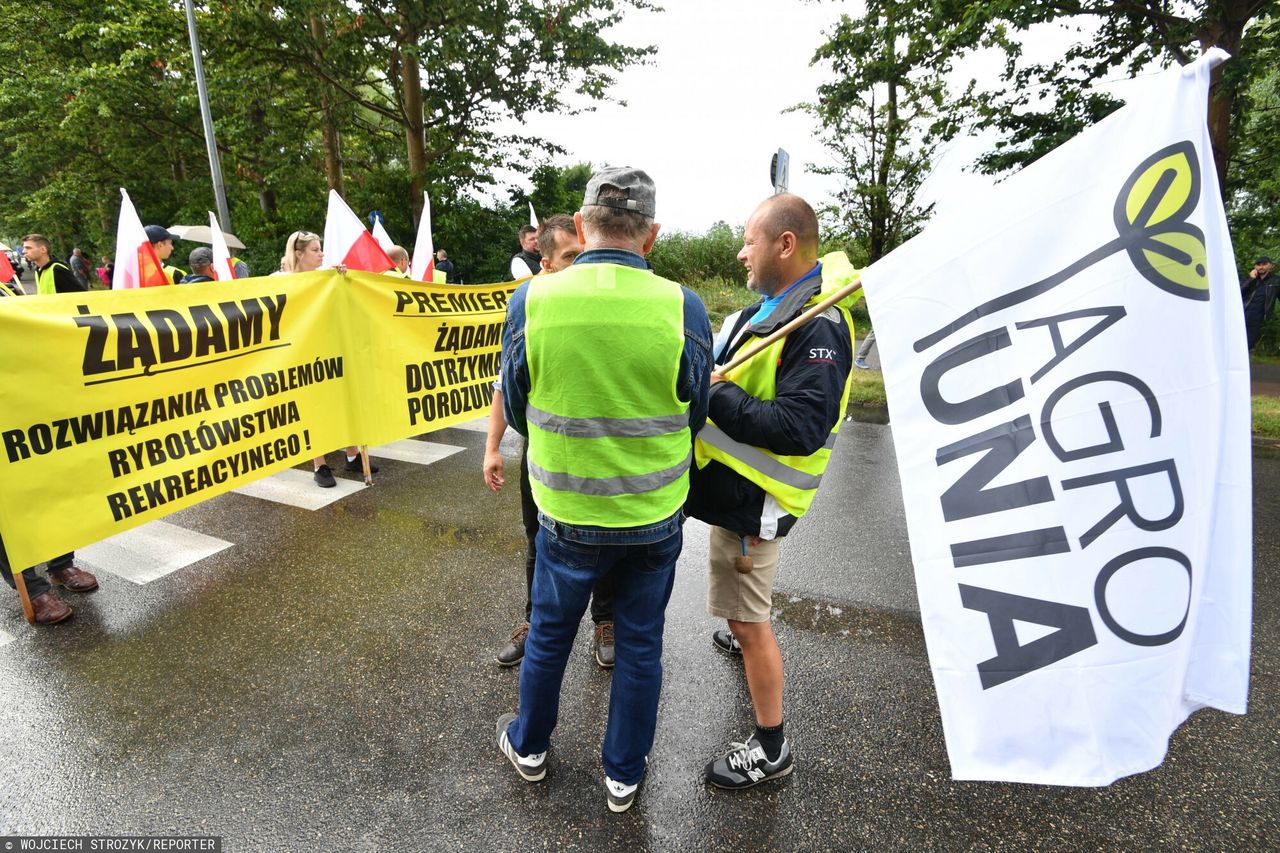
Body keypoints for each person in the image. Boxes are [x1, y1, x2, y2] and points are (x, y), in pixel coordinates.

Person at [494, 167, 711, 813]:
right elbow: (695, 408)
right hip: (654, 514)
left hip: (565, 513)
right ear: (653, 235)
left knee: (551, 634)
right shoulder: (684, 306)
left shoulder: (532, 300)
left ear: (582, 227)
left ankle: (529, 748)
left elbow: (519, 399)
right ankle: (623, 774)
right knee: (640, 642)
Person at [686, 193, 857, 790]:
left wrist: (714, 393)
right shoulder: (772, 310)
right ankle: (742, 632)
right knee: (743, 613)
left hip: (755, 504)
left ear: (786, 245)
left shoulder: (819, 325)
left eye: (749, 241)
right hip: (735, 494)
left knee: (749, 619)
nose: (740, 253)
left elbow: (799, 428)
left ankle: (772, 749)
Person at [484, 214, 616, 670]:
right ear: (545, 262)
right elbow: (507, 383)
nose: (584, 266)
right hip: (542, 456)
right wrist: (492, 447)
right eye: (570, 258)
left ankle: (606, 621)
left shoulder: (605, 304)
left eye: (586, 255)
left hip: (601, 456)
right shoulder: (529, 306)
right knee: (537, 540)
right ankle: (534, 623)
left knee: (603, 540)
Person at [275, 230, 377, 487]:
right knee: (314, 408)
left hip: (333, 348)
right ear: (299, 254)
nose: (321, 254)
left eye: (320, 249)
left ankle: (352, 455)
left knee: (344, 400)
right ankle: (319, 464)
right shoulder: (280, 281)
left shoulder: (327, 276)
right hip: (305, 354)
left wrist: (342, 280)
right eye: (315, 250)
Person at [21, 234, 86, 295]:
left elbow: (80, 295)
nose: (23, 251)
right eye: (24, 248)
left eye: (28, 248)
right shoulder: (38, 270)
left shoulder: (57, 269)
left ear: (43, 249)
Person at [1242, 255, 1278, 351]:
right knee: (1237, 341)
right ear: (1255, 266)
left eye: (1264, 264)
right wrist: (1250, 279)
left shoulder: (1276, 281)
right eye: (1258, 264)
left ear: (1270, 266)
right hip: (1241, 314)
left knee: (1249, 343)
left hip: (1257, 318)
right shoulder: (1250, 278)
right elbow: (1238, 293)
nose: (1261, 267)